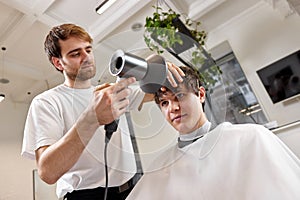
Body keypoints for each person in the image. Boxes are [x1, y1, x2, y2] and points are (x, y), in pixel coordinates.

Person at [21, 23, 184, 200]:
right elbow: (47, 172)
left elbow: (159, 91)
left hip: (132, 189)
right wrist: (91, 119)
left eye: (88, 50)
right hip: (85, 196)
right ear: (58, 62)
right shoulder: (47, 102)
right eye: (76, 54)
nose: (87, 58)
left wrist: (161, 71)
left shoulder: (110, 93)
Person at [126, 66, 300, 200]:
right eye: (164, 103)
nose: (173, 108)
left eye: (179, 95)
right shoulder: (159, 167)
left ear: (200, 94)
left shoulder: (250, 137)